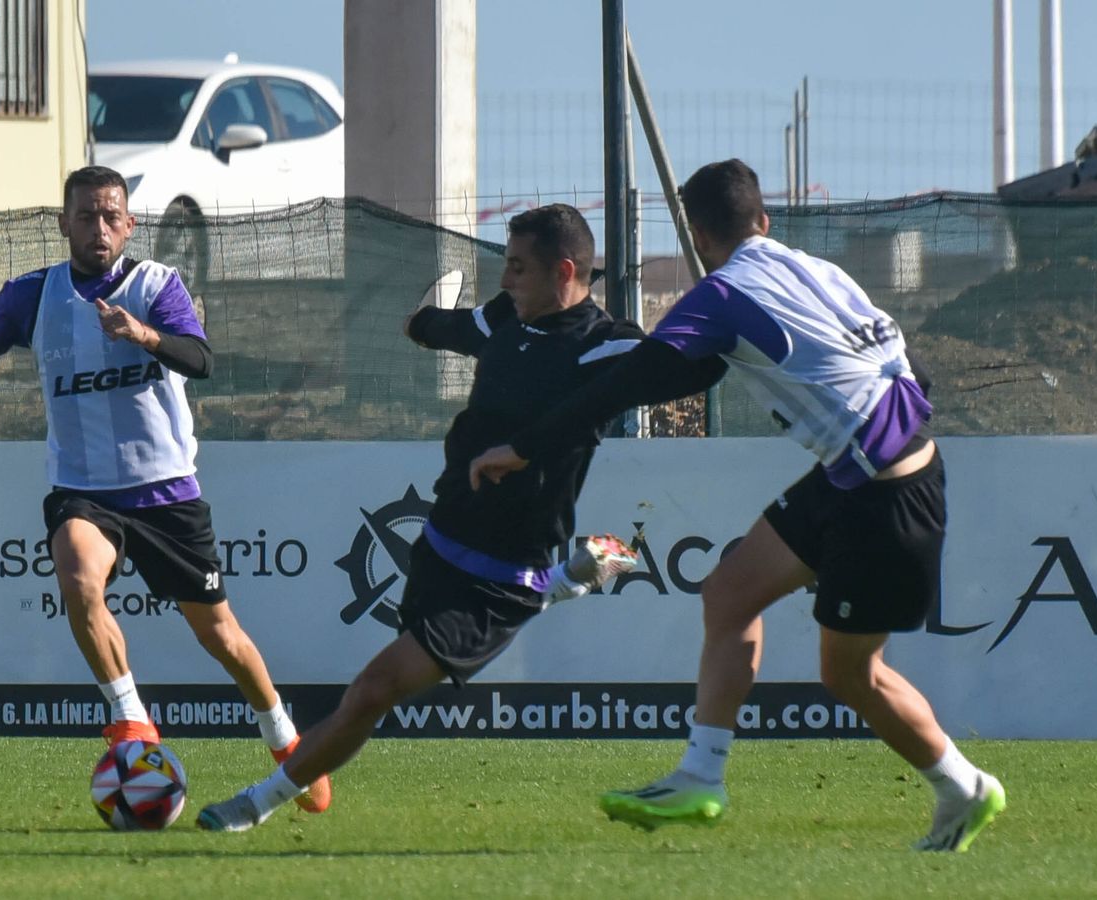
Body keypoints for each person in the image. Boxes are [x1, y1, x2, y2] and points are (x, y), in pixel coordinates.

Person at [469, 159, 1005, 853]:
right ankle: (701, 778)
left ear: (695, 233)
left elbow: (634, 380)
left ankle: (963, 787)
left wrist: (526, 446)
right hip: (857, 476)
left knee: (849, 674)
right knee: (728, 594)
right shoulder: (821, 272)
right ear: (764, 220)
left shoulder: (722, 295)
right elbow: (912, 375)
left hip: (885, 499)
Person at [195, 203, 723, 832]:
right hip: (440, 544)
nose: (506, 281)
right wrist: (420, 323)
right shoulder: (508, 319)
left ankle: (255, 805)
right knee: (378, 687)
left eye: (519, 269)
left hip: (495, 580)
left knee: (371, 692)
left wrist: (732, 311)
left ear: (563, 272)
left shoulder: (606, 348)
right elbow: (458, 327)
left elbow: (700, 365)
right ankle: (568, 581)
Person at [0, 165, 329, 815]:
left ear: (130, 223)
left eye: (111, 216)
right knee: (80, 578)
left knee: (220, 634)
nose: (99, 228)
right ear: (64, 224)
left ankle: (283, 738)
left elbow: (202, 360)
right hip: (82, 488)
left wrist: (142, 334)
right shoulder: (32, 295)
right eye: (86, 216)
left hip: (165, 489)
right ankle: (132, 718)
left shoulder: (158, 286)